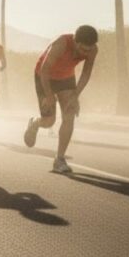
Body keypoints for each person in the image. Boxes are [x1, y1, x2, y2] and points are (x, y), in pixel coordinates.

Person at [23, 25, 99, 173]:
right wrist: (49, 96)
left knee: (69, 115)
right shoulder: (61, 44)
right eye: (83, 49)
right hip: (44, 77)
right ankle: (35, 123)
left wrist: (75, 96)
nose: (86, 53)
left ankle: (59, 159)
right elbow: (44, 70)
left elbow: (86, 73)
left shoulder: (93, 50)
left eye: (89, 50)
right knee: (49, 121)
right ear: (75, 42)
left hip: (66, 77)